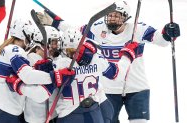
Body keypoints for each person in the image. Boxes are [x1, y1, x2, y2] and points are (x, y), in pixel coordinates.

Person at [38, 0, 181, 123]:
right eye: (110, 15)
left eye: (116, 16)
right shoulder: (98, 28)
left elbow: (160, 40)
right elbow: (75, 32)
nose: (112, 19)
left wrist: (168, 33)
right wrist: (56, 22)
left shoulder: (137, 29)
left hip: (137, 87)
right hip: (110, 88)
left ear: (125, 17)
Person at [7, 27, 143, 123]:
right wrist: (127, 56)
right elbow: (116, 74)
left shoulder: (60, 64)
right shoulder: (95, 57)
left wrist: (19, 85)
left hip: (69, 115)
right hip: (95, 112)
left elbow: (42, 90)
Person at [0, 18, 75, 123]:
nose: (31, 39)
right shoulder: (15, 50)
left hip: (2, 105)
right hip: (6, 109)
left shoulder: (7, 49)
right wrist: (55, 77)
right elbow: (28, 76)